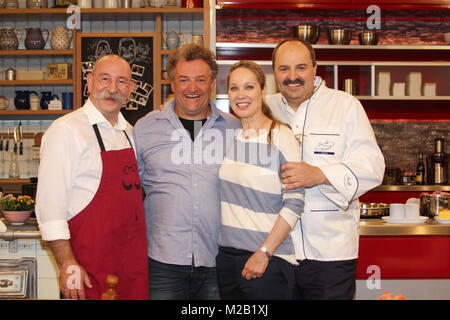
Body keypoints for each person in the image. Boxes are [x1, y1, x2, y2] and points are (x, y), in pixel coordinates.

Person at [265, 39, 385, 300]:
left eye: (301, 68)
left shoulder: (345, 106)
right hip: (278, 252)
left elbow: (372, 167)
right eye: (284, 69)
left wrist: (319, 174)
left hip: (331, 253)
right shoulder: (264, 109)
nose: (293, 77)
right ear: (274, 72)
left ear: (315, 68)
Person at [35, 54, 149, 300]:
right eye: (104, 79)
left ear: (130, 89)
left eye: (121, 82)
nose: (111, 88)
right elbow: (50, 208)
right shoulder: (66, 131)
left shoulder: (130, 133)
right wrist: (67, 263)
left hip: (131, 265)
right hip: (87, 267)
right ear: (89, 82)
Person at [133, 44, 241, 300]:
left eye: (200, 80)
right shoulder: (145, 128)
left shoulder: (236, 129)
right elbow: (127, 190)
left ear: (212, 83)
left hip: (218, 258)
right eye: (184, 80)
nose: (192, 88)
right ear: (172, 83)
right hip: (162, 261)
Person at [216, 60, 305, 300]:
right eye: (234, 88)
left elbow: (295, 202)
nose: (241, 95)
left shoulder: (280, 135)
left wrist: (264, 252)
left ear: (263, 90)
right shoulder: (230, 138)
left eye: (249, 87)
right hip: (227, 259)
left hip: (267, 260)